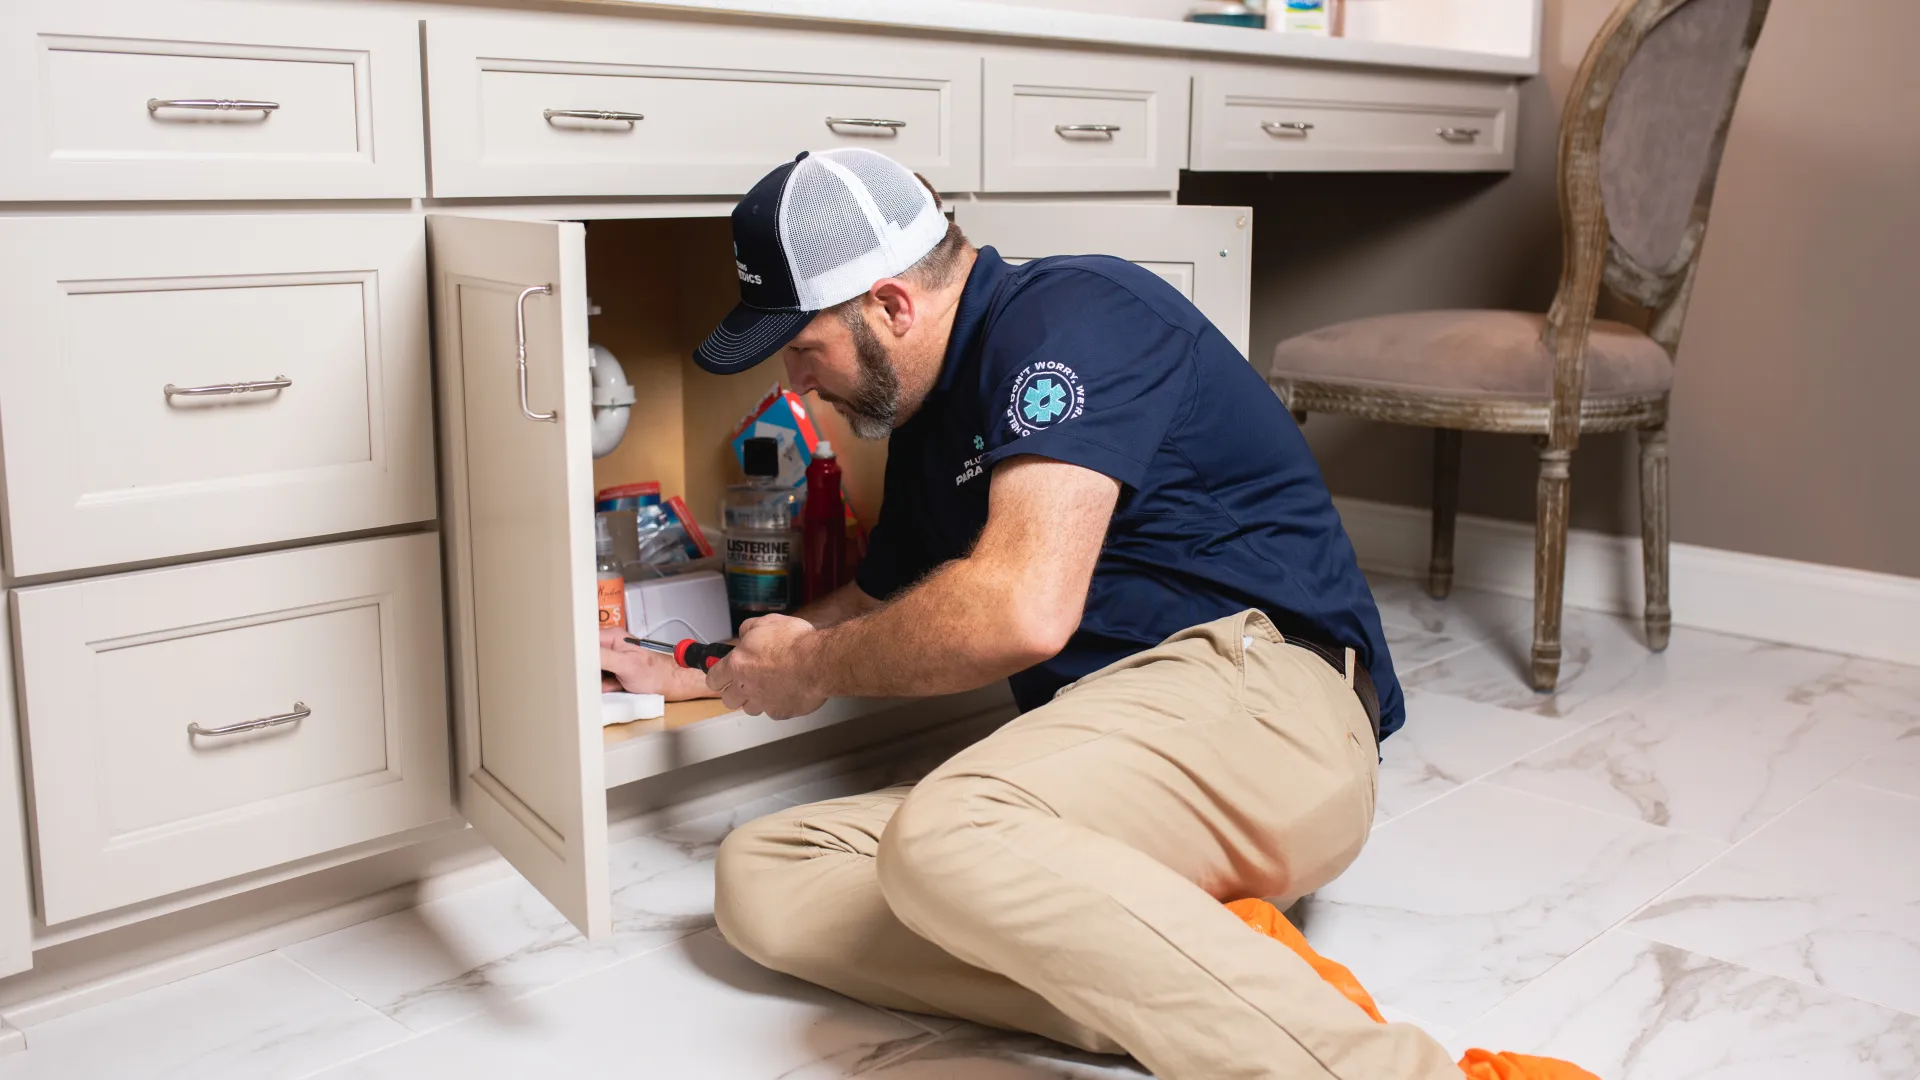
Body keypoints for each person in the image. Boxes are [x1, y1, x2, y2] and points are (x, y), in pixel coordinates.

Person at [599, 148, 1458, 1079]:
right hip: (1108, 755)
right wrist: (713, 663)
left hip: (1264, 702)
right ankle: (1211, 965)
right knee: (764, 876)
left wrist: (808, 670)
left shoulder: (1075, 317)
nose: (797, 385)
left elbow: (1020, 612)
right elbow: (871, 604)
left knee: (947, 835)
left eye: (804, 349)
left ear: (890, 307)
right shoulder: (928, 422)